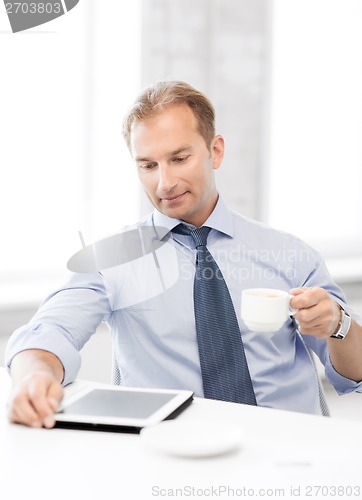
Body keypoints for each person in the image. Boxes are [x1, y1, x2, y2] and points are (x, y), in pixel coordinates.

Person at [5, 81, 362, 428]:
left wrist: (338, 324)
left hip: (291, 453)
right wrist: (34, 376)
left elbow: (355, 373)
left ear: (215, 151)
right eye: (148, 165)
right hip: (172, 455)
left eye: (179, 158)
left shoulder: (289, 253)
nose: (165, 183)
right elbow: (50, 331)